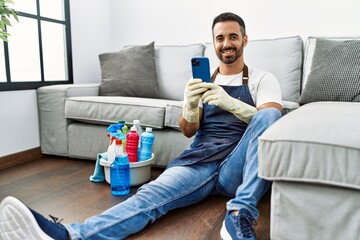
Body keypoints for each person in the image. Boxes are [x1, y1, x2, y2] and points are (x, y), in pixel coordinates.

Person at [0, 12, 282, 240]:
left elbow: (269, 121)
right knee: (149, 197)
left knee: (268, 117)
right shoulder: (202, 80)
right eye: (220, 38)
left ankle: (239, 213)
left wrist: (229, 102)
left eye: (233, 36)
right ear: (213, 43)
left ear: (245, 40)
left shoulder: (261, 79)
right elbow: (188, 131)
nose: (226, 43)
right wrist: (190, 105)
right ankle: (72, 235)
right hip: (199, 162)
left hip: (237, 166)